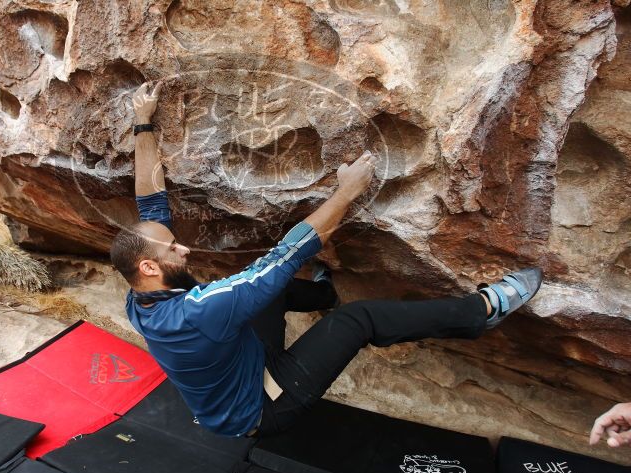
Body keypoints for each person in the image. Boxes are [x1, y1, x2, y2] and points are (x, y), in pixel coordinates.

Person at [110, 81, 544, 438]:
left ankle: (323, 292)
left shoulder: (140, 295)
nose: (182, 248)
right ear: (149, 266)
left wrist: (142, 123)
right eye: (172, 249)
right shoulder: (199, 310)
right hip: (260, 406)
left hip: (238, 363)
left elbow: (149, 203)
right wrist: (347, 192)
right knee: (357, 320)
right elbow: (281, 258)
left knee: (262, 296)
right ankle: (482, 310)